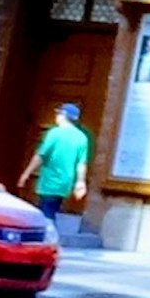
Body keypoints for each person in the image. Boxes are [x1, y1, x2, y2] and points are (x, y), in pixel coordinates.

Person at [23, 103, 92, 240]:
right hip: (65, 182)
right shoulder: (82, 138)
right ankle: (47, 237)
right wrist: (80, 182)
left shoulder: (54, 133)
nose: (57, 116)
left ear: (64, 116)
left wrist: (26, 173)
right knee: (53, 208)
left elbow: (40, 155)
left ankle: (50, 239)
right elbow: (81, 163)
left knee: (47, 212)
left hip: (49, 180)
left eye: (59, 113)